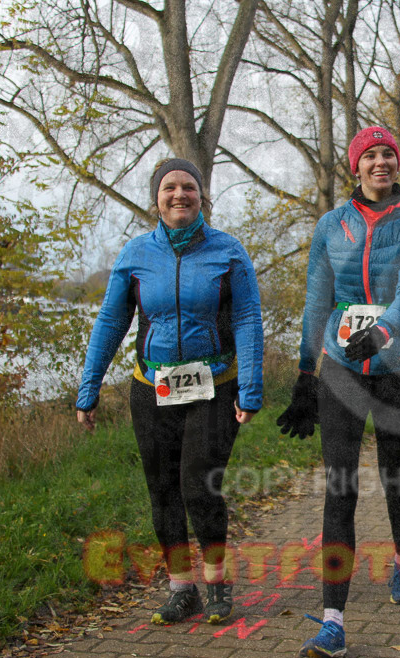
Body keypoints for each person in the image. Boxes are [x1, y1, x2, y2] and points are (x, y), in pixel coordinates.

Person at [75, 158, 263, 626]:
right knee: (162, 491)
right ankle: (183, 589)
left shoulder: (228, 252)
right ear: (156, 198)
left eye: (189, 187)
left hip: (213, 387)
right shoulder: (136, 254)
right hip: (151, 389)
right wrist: (88, 388)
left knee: (199, 485)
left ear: (202, 196)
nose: (179, 195)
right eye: (169, 188)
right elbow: (112, 322)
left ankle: (217, 582)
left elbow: (246, 320)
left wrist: (251, 388)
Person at [277, 126, 400, 658]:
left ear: (397, 163)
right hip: (342, 367)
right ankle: (332, 620)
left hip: (399, 367)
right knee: (339, 487)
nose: (381, 162)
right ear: (356, 166)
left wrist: (384, 331)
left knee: (394, 475)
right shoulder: (330, 225)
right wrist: (305, 373)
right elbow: (316, 300)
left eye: (389, 153)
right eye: (371, 155)